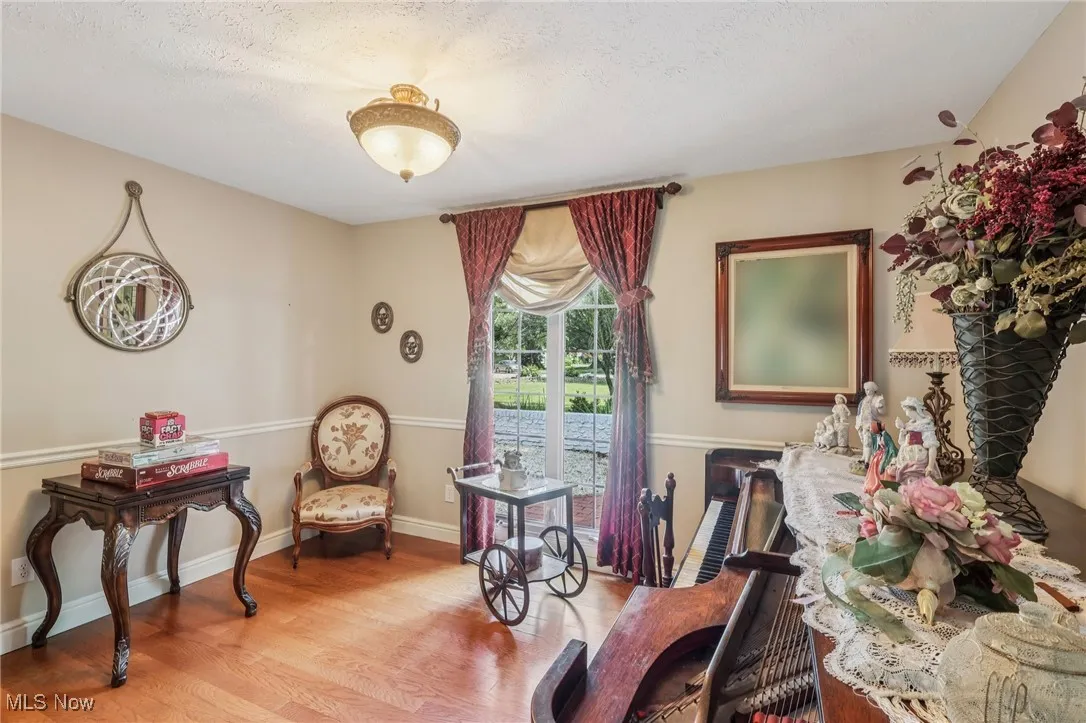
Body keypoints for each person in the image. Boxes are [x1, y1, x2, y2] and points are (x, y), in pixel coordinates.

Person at [895, 397, 942, 479]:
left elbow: (932, 446)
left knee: (918, 479)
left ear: (914, 409)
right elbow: (902, 442)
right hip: (906, 458)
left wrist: (930, 466)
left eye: (906, 410)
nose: (906, 414)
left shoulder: (925, 425)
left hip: (919, 458)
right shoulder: (910, 424)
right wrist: (902, 429)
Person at [855, 381, 886, 466]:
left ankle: (867, 461)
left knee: (868, 442)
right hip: (862, 424)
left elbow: (882, 412)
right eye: (866, 389)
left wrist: (880, 406)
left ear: (873, 390)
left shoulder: (877, 398)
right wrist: (858, 422)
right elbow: (860, 411)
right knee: (864, 441)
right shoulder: (864, 399)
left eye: (869, 389)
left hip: (871, 424)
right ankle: (864, 457)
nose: (867, 391)